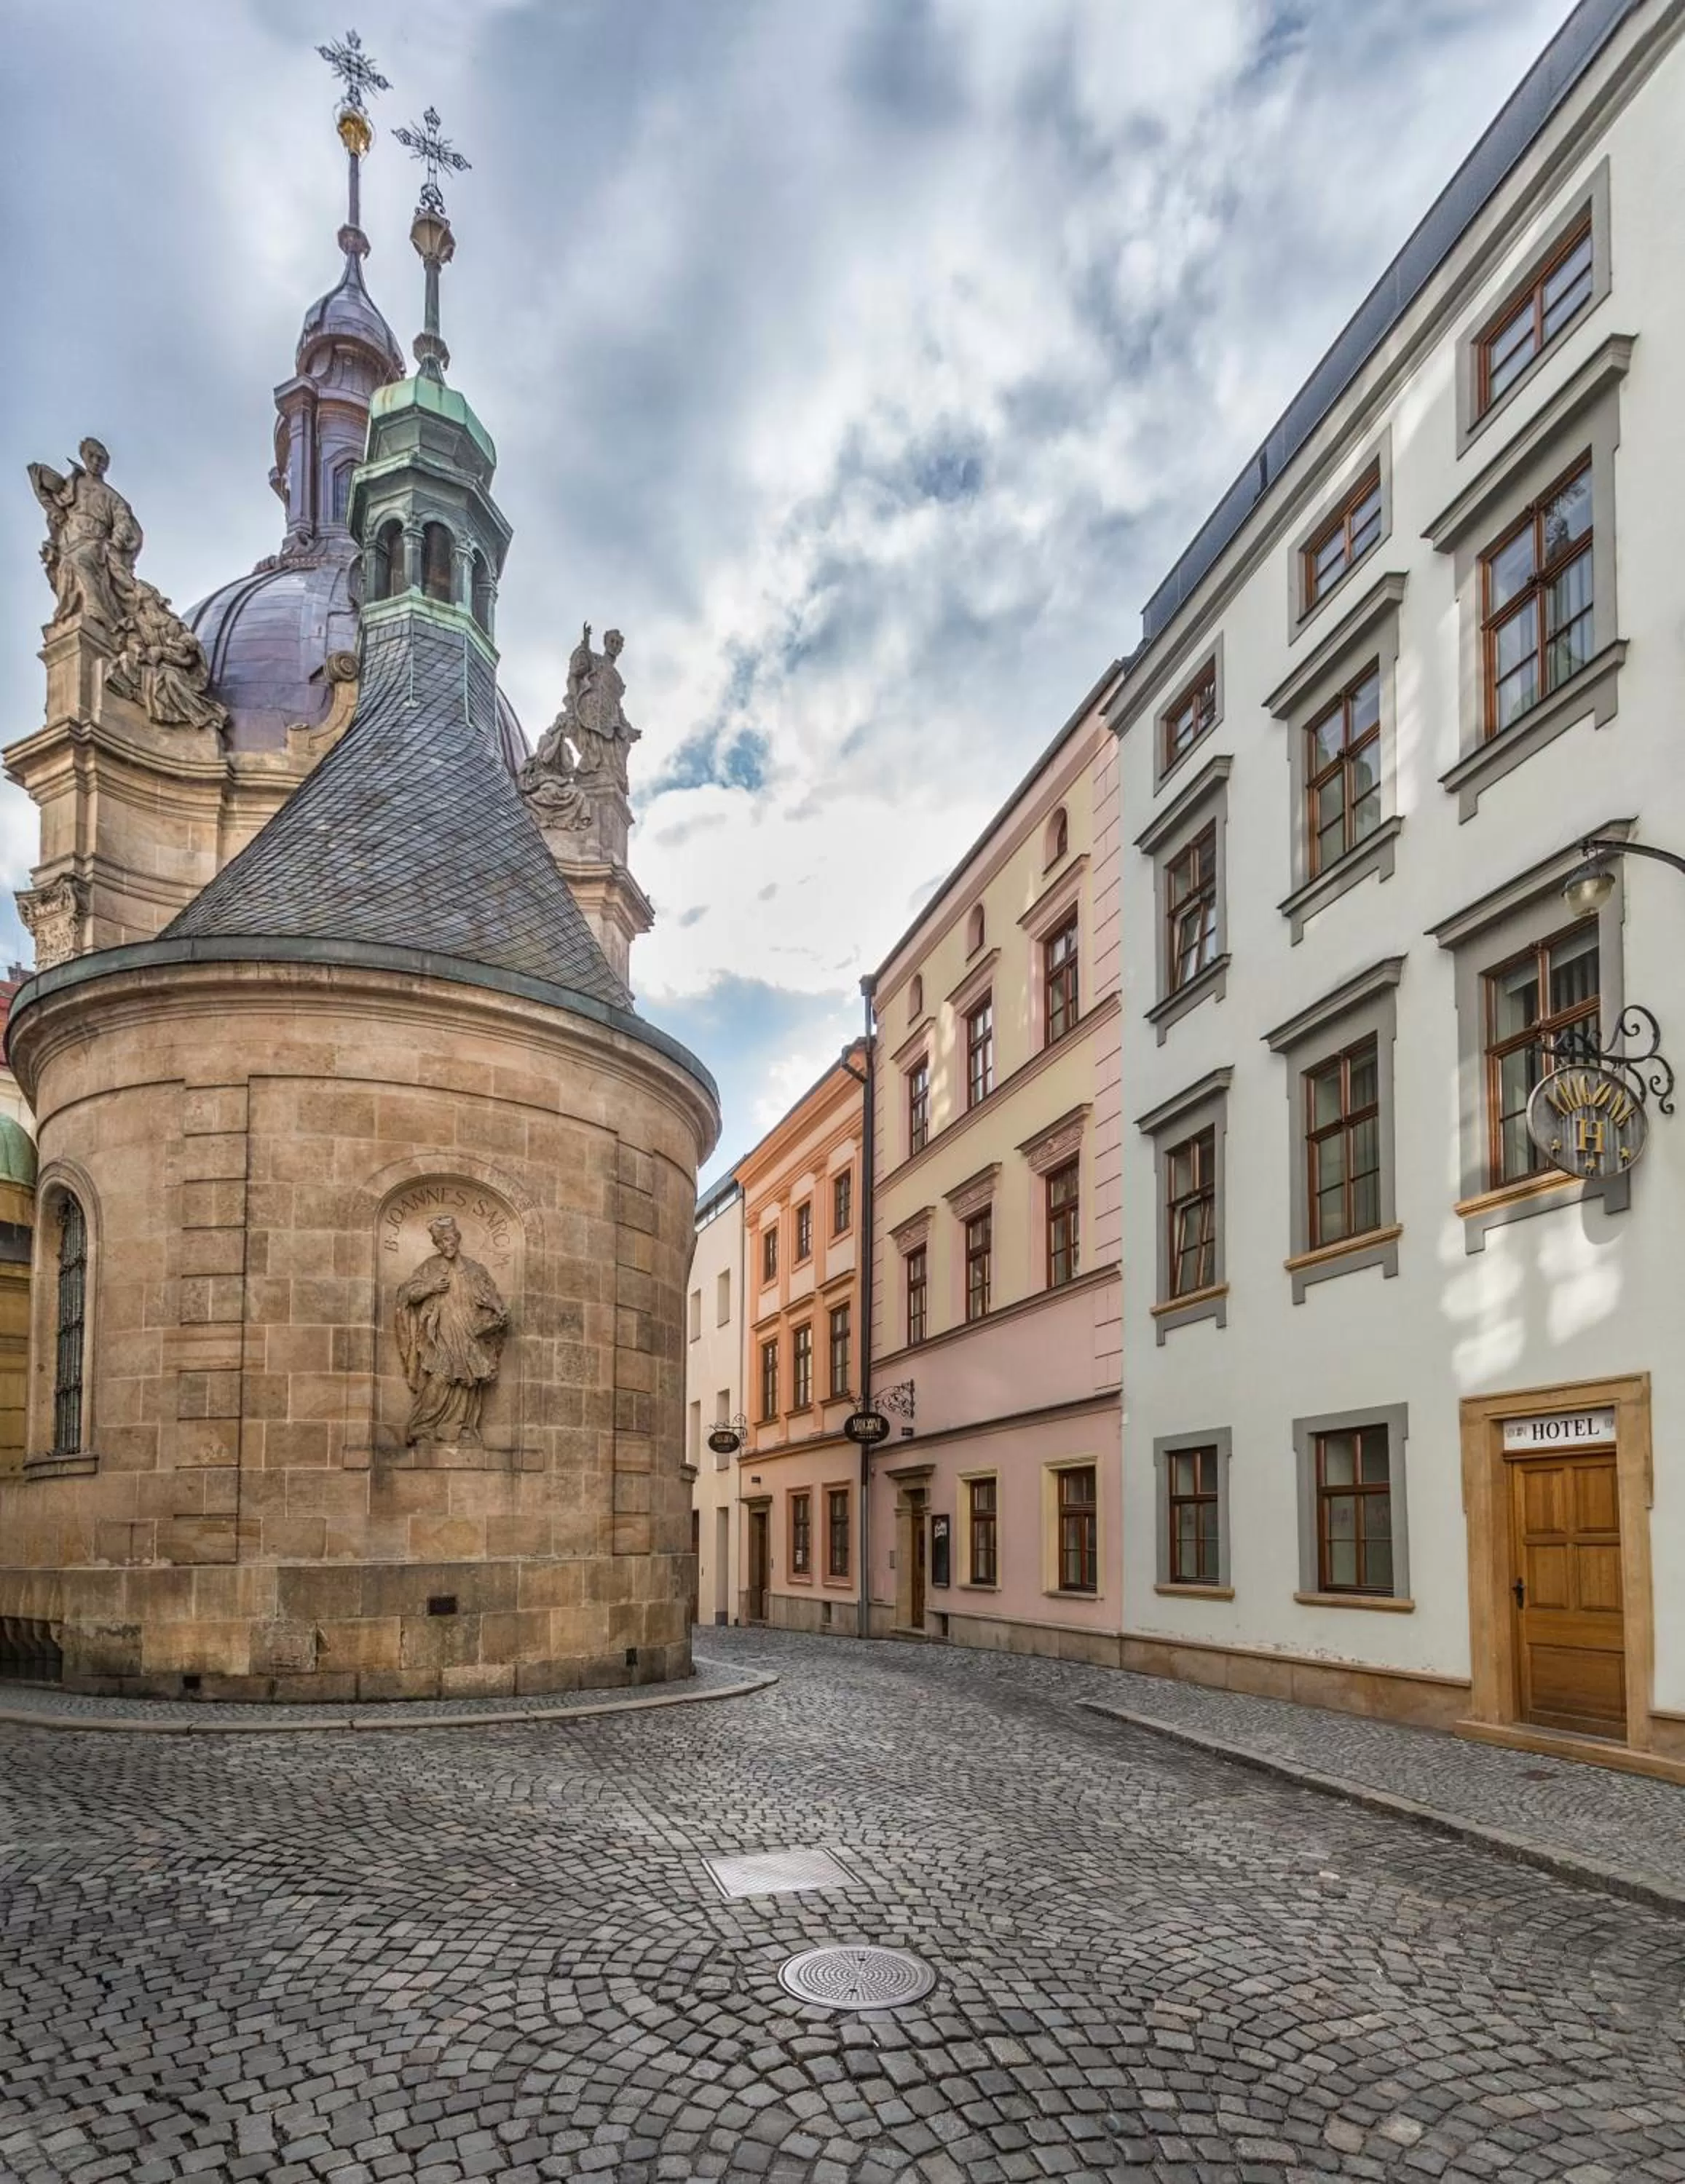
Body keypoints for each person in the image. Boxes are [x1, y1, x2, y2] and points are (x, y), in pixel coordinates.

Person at [395, 1215, 509, 1447]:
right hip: (441, 1333)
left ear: (457, 1239)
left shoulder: (475, 1270)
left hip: (470, 1332)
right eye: (441, 1242)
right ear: (437, 1245)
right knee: (440, 1376)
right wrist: (430, 1287)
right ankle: (423, 1426)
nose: (446, 1245)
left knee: (468, 1380)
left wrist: (498, 1311)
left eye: (449, 1240)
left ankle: (462, 1428)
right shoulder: (430, 1267)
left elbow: (492, 1299)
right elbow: (409, 1294)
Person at [28, 438, 143, 628]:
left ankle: (98, 612)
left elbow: (124, 522)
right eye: (92, 456)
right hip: (69, 538)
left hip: (96, 543)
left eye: (101, 459)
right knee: (65, 569)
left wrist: (115, 542)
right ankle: (72, 612)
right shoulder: (72, 484)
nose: (97, 462)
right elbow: (38, 476)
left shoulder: (112, 497)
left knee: (81, 559)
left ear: (107, 464)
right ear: (83, 457)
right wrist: (54, 511)